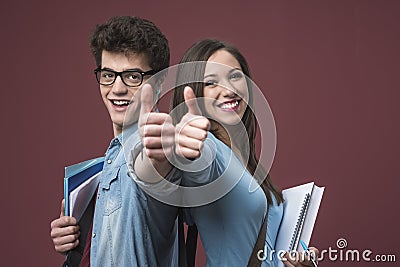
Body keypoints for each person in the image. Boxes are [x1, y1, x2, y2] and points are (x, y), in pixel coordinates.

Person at [171, 39, 318, 266]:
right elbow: (196, 167)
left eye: (235, 76)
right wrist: (186, 146)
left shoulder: (246, 160)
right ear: (194, 93)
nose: (228, 89)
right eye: (211, 82)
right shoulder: (209, 149)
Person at [50, 16, 180, 267]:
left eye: (132, 76)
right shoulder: (105, 167)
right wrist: (74, 237)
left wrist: (164, 150)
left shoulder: (152, 150)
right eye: (108, 74)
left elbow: (158, 168)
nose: (117, 89)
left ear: (159, 82)